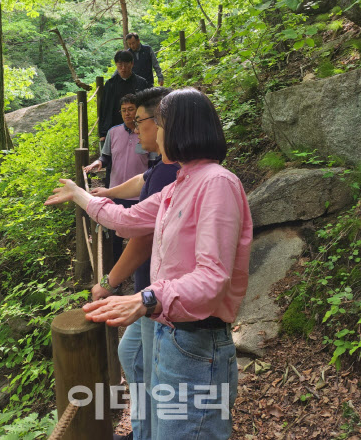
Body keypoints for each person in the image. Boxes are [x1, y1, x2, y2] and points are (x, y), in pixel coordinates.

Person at [45, 88, 252, 440]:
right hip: (171, 335)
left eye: (161, 124)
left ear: (181, 128)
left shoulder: (217, 183)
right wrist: (80, 195)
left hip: (198, 345)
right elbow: (128, 221)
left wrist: (144, 299)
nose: (155, 132)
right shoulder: (179, 186)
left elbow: (211, 279)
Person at [90, 86, 179, 440]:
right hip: (150, 291)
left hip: (156, 295)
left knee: (148, 367)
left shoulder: (174, 174)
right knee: (134, 356)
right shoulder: (163, 167)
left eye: (140, 119)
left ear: (159, 123)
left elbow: (140, 237)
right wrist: (108, 192)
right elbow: (140, 182)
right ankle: (145, 428)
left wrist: (109, 284)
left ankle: (149, 431)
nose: (135, 126)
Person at [84, 94, 153, 262]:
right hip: (115, 192)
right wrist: (98, 162)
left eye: (131, 109)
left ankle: (140, 273)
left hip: (139, 194)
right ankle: (117, 276)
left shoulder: (147, 132)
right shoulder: (113, 132)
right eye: (124, 110)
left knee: (140, 237)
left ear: (138, 111)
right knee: (115, 237)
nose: (127, 113)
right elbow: (106, 157)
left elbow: (153, 165)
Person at [99, 50, 149, 142]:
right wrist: (103, 133)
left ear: (132, 64)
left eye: (126, 65)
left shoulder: (141, 83)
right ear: (116, 65)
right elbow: (104, 109)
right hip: (115, 127)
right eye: (120, 65)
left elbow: (147, 107)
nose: (123, 68)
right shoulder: (110, 84)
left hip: (138, 128)